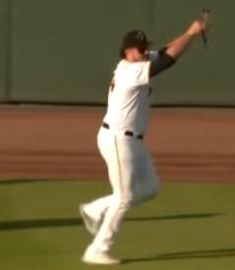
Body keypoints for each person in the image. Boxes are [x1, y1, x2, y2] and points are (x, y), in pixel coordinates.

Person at [79, 19, 208, 265]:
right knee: (125, 197)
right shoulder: (129, 70)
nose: (144, 51)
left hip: (133, 142)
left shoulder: (138, 60)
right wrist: (191, 33)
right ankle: (97, 249)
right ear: (127, 52)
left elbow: (164, 51)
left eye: (144, 47)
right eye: (139, 49)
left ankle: (95, 208)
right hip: (117, 138)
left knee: (149, 188)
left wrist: (189, 33)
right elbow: (167, 61)